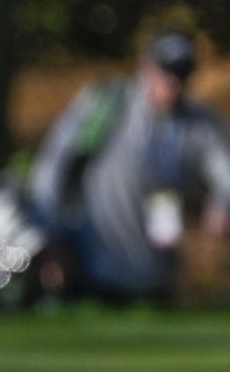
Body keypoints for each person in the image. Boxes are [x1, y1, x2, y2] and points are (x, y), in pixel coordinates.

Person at [26, 29, 230, 303]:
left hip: (158, 276)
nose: (172, 84)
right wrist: (48, 237)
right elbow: (55, 167)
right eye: (165, 73)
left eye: (181, 75)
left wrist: (221, 206)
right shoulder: (107, 104)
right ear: (145, 67)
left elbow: (225, 174)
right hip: (92, 269)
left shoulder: (199, 124)